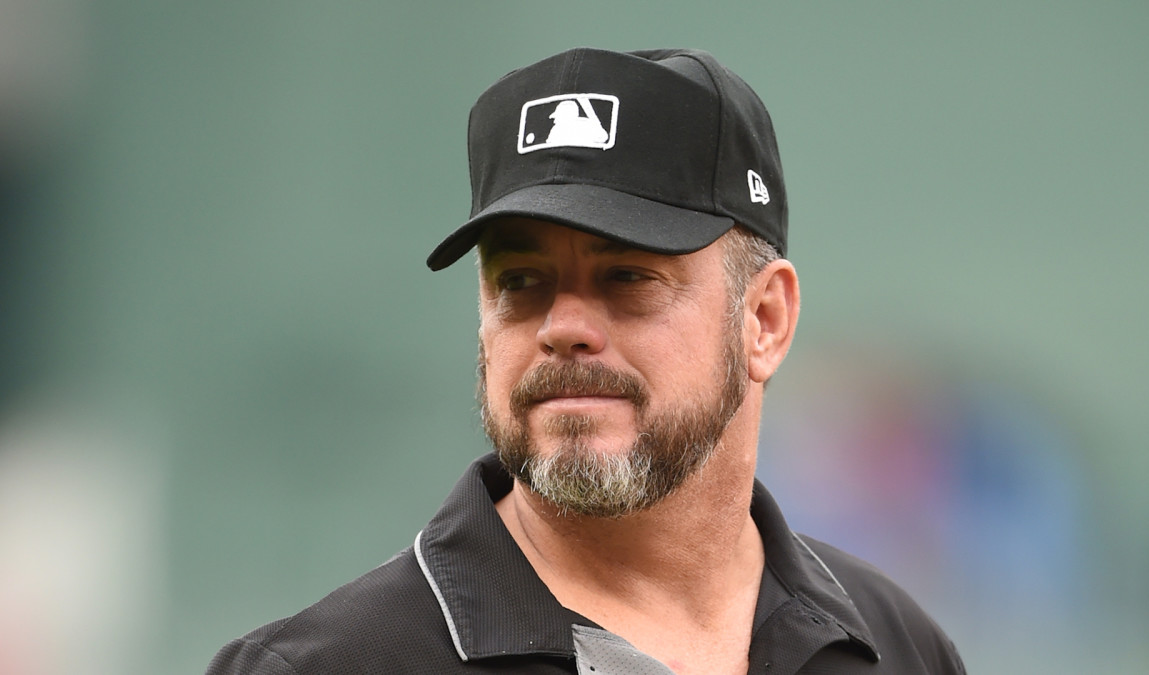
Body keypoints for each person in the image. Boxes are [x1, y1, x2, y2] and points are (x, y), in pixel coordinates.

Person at [207, 47, 966, 674]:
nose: (563, 327)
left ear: (763, 319)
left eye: (628, 276)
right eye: (521, 281)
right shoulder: (322, 667)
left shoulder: (895, 646)